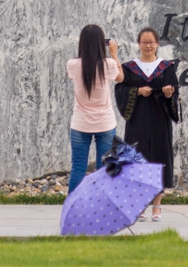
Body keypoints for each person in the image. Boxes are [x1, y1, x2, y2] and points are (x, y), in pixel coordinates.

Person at [115, 27, 179, 222]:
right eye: (144, 42)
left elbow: (174, 92)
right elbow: (120, 89)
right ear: (139, 44)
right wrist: (137, 92)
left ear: (157, 44)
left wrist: (169, 93)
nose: (148, 45)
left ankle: (157, 206)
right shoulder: (129, 67)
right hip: (138, 121)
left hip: (160, 120)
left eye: (151, 42)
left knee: (158, 161)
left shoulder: (167, 67)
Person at [66, 24, 123, 194]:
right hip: (105, 123)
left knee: (78, 168)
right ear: (101, 43)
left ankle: (74, 211)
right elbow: (120, 78)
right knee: (103, 169)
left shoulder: (73, 64)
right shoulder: (108, 64)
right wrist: (114, 53)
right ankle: (101, 211)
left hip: (80, 123)